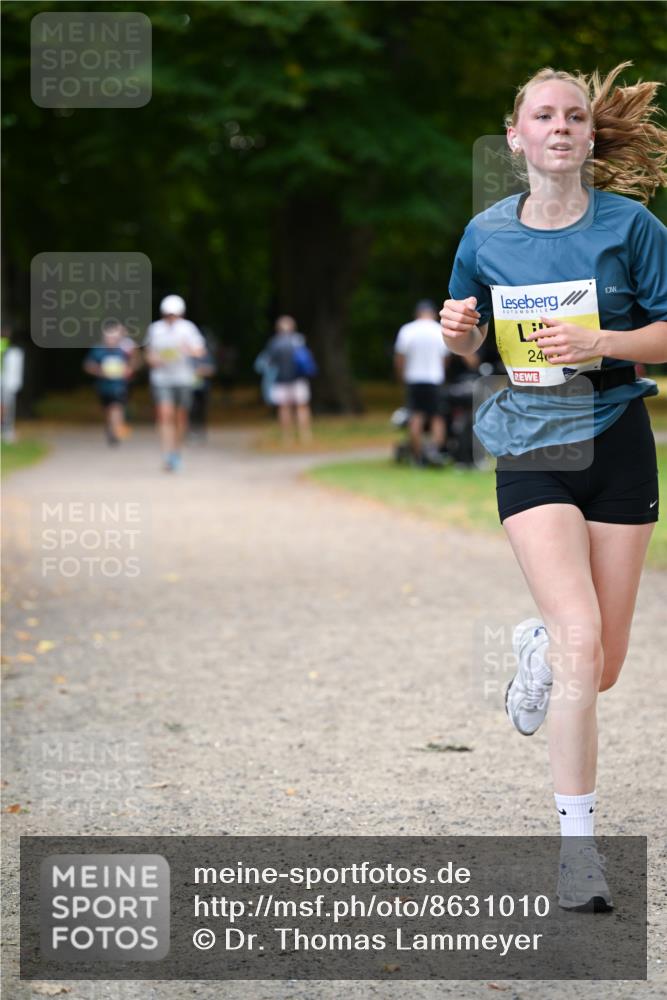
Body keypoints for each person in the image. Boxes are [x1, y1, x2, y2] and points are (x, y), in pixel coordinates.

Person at [441, 62, 667, 912]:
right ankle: (578, 853)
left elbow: (665, 331)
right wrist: (456, 331)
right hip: (531, 443)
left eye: (574, 115)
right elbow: (468, 345)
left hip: (617, 440)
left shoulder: (632, 226)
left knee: (598, 668)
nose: (561, 127)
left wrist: (601, 342)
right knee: (581, 639)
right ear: (516, 136)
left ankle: (534, 648)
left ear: (588, 135)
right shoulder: (485, 234)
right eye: (544, 115)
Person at [144, 295, 205, 471]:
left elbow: (200, 351)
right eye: (168, 314)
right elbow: (149, 353)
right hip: (161, 378)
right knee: (165, 414)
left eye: (174, 315)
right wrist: (153, 360)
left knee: (180, 417)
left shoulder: (188, 329)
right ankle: (167, 454)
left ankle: (176, 451)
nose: (171, 318)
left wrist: (189, 350)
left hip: (184, 378)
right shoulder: (155, 329)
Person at [394, 300, 449, 466]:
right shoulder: (439, 329)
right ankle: (435, 453)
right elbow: (445, 357)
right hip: (434, 378)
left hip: (414, 378)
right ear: (433, 313)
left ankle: (417, 457)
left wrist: (400, 376)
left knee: (416, 417)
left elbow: (400, 357)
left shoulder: (407, 330)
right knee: (437, 417)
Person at [262, 315, 313, 443]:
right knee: (302, 407)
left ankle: (287, 437)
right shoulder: (299, 340)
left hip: (281, 380)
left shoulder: (274, 342)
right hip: (299, 379)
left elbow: (269, 362)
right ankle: (305, 435)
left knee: (284, 408)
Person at [83, 321, 133, 446]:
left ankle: (116, 432)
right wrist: (99, 371)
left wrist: (128, 370)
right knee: (107, 410)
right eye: (109, 337)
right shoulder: (97, 350)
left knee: (116, 407)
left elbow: (134, 362)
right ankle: (110, 428)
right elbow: (88, 365)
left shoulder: (124, 350)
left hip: (119, 385)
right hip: (103, 386)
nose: (111, 339)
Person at [0, 329, 24, 444]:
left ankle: (6, 429)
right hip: (4, 380)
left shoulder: (4, 345)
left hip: (5, 380)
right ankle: (6, 430)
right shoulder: (5, 345)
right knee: (5, 406)